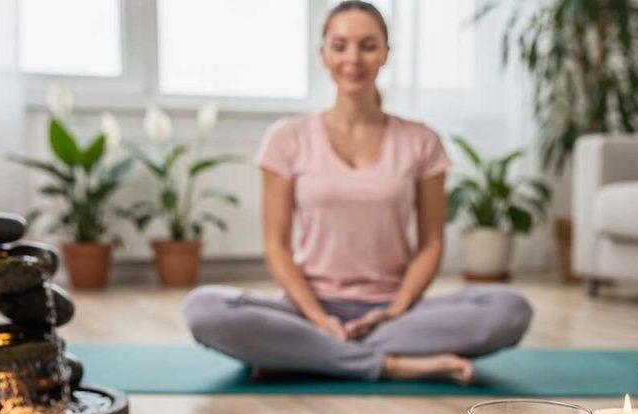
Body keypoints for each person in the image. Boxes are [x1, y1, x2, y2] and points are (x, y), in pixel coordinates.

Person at [183, 1, 532, 383]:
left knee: (509, 309)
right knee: (204, 309)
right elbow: (277, 247)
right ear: (323, 55)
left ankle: (302, 355)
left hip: (394, 314)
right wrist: (318, 318)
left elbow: (431, 243)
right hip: (307, 309)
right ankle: (390, 364)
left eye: (367, 45)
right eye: (340, 45)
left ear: (385, 54)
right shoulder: (287, 138)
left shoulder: (421, 141)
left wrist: (395, 310)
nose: (353, 58)